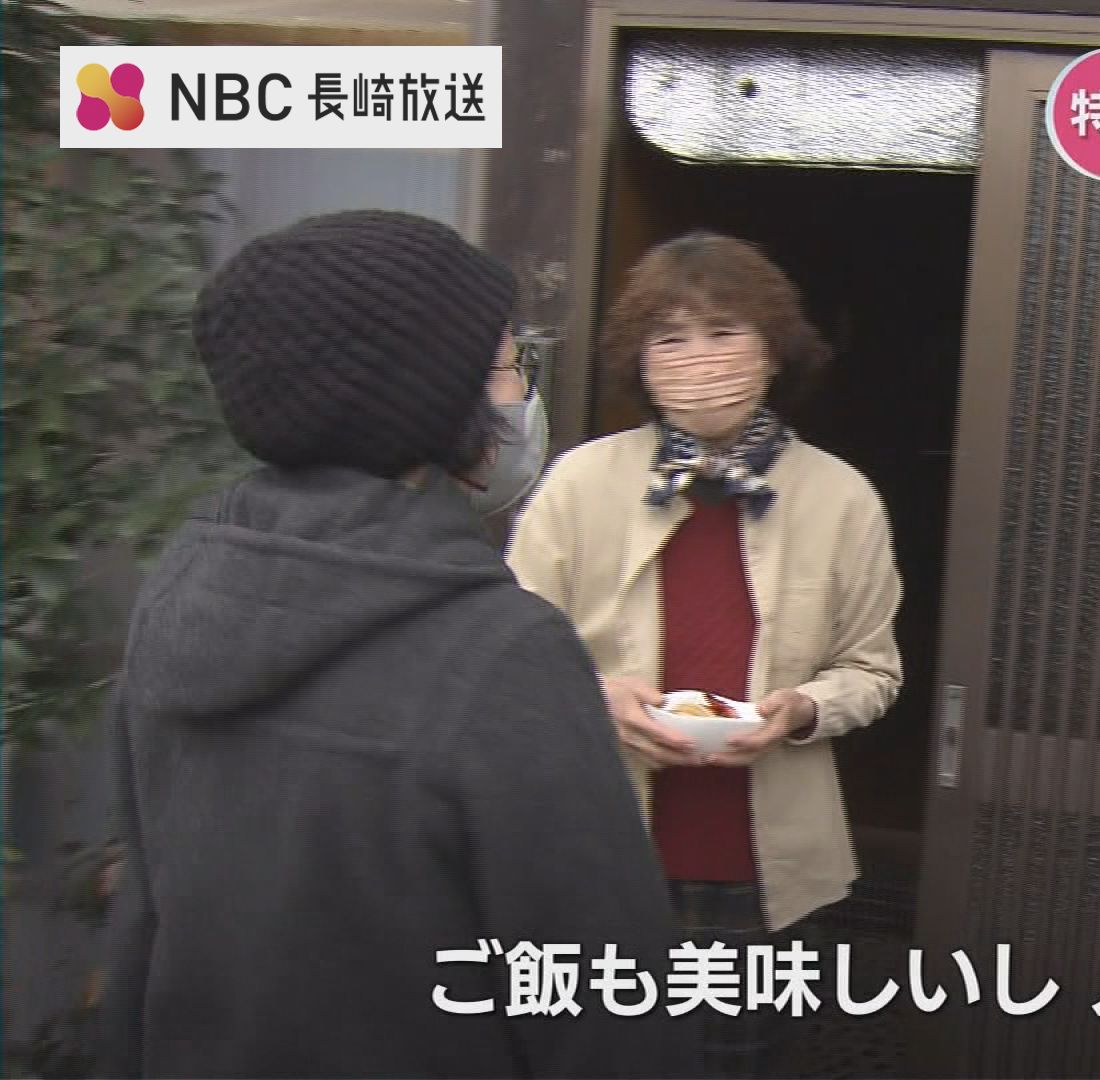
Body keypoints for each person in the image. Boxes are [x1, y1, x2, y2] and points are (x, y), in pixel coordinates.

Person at [93, 209, 696, 1080]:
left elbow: (142, 935)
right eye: (505, 366)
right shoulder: (502, 651)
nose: (519, 394)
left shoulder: (180, 597)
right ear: (425, 398)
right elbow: (605, 1005)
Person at [505, 230, 903, 1078]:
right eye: (670, 337)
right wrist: (596, 697)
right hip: (597, 855)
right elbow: (506, 655)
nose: (699, 358)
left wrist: (802, 709)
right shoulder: (577, 484)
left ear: (774, 350)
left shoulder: (841, 498)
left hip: (763, 873)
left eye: (724, 331)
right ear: (640, 362)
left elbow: (873, 670)